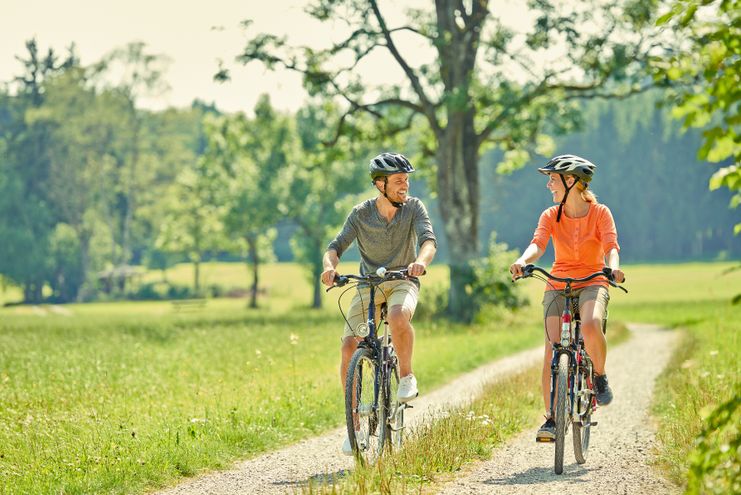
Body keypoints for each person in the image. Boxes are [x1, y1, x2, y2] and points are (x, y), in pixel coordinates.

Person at [321, 152, 437, 455]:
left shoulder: (414, 208)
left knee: (399, 316)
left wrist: (420, 263)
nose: (405, 186)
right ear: (379, 184)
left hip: (403, 280)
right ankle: (355, 428)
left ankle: (407, 377)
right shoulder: (360, 214)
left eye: (406, 180)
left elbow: (428, 241)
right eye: (399, 181)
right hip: (368, 286)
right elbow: (335, 247)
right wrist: (329, 268)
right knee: (349, 345)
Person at [509, 154, 625, 442]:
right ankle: (551, 418)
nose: (549, 184)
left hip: (593, 280)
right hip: (558, 282)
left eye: (553, 178)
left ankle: (598, 375)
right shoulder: (550, 215)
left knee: (590, 324)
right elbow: (538, 244)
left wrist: (614, 266)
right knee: (552, 351)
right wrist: (523, 260)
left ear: (571, 181)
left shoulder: (600, 213)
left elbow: (611, 246)